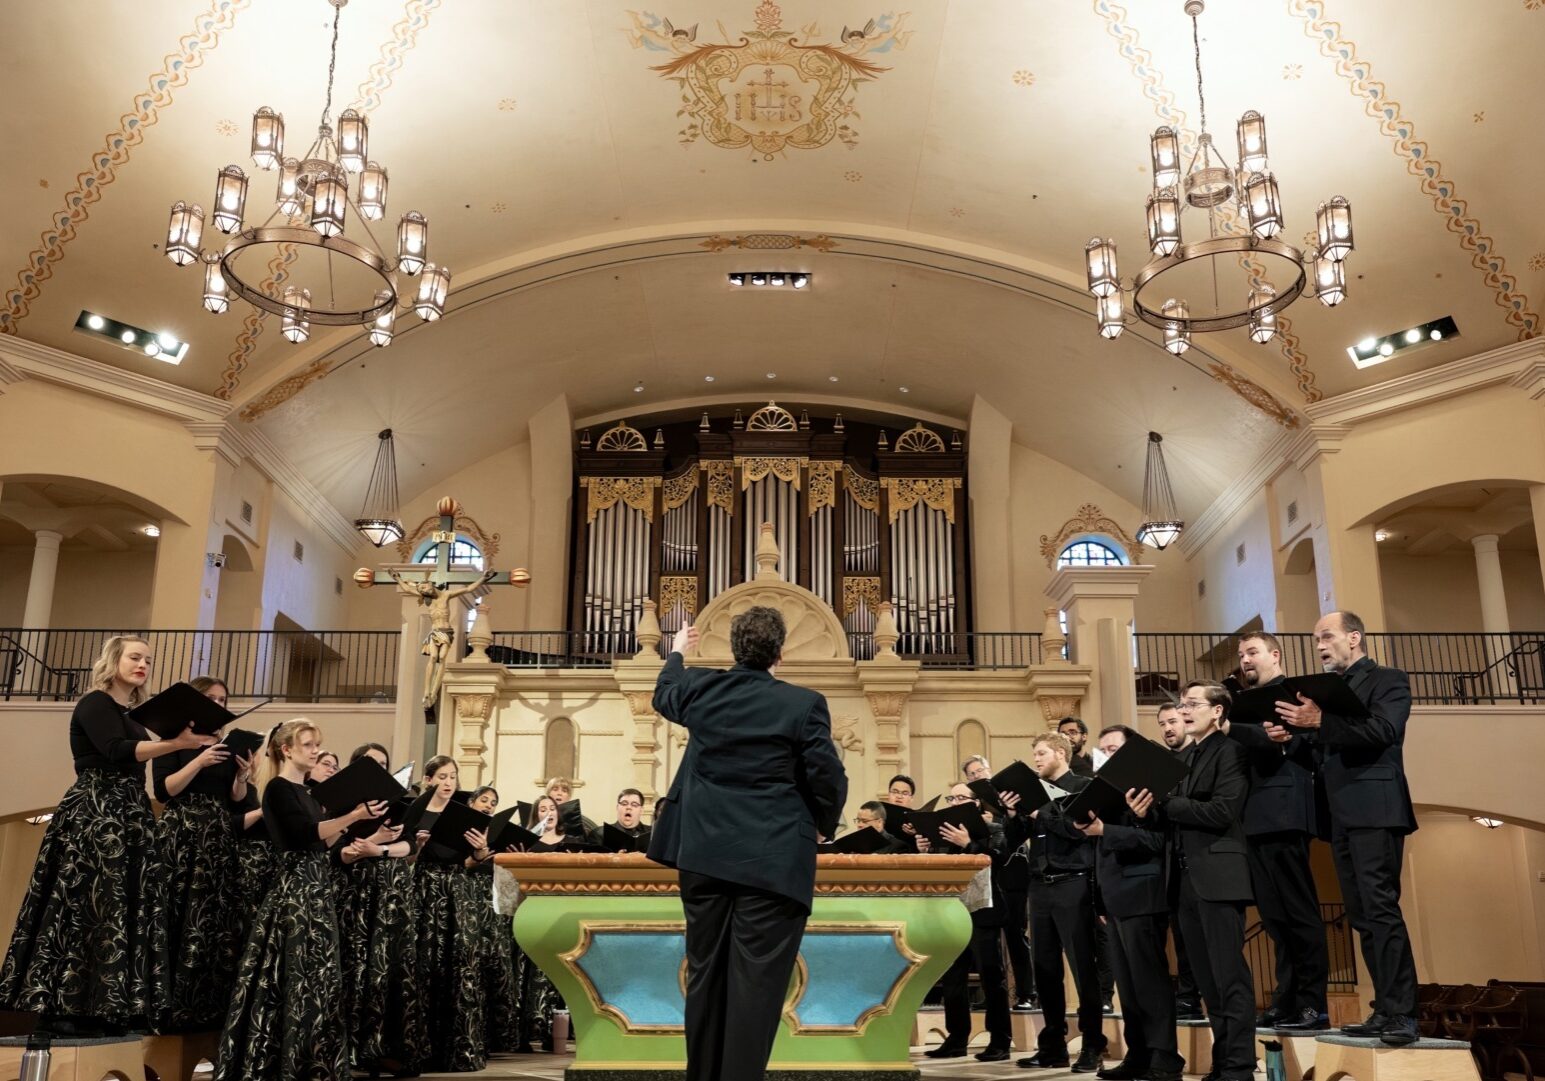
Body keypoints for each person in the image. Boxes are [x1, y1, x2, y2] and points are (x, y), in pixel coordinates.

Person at [648, 609, 847, 1081]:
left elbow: (664, 693)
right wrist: (823, 824)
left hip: (702, 855)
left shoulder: (699, 688)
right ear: (780, 654)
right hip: (772, 861)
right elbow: (827, 776)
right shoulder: (803, 704)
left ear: (735, 649)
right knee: (755, 989)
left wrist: (677, 651)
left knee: (705, 978)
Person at [0, 635, 214, 1036]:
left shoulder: (133, 713)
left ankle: (111, 1004)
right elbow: (116, 750)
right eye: (135, 657)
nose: (143, 665)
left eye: (148, 660)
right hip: (98, 812)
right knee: (87, 905)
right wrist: (176, 744)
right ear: (114, 659)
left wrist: (182, 742)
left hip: (130, 812)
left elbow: (137, 755)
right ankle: (67, 1005)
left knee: (123, 907)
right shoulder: (94, 702)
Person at [1273, 611, 1419, 1046]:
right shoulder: (1328, 694)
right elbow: (1325, 749)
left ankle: (1404, 1014)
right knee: (1360, 915)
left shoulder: (1387, 679)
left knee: (1380, 909)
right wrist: (1291, 738)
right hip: (1340, 813)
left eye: (1327, 636)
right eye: (1315, 637)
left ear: (1354, 637)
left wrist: (1319, 722)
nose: (1319, 644)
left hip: (1376, 807)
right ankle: (1384, 1009)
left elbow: (1385, 730)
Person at [214, 718, 386, 1081]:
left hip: (317, 887)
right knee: (290, 975)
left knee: (318, 976)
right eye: (308, 745)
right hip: (295, 890)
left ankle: (313, 1062)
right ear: (287, 749)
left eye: (318, 744)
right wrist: (353, 815)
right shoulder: (277, 788)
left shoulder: (309, 793)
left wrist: (367, 825)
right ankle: (282, 1061)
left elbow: (321, 843)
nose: (316, 751)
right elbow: (304, 834)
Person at [1132, 682, 1255, 1081]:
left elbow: (1222, 810)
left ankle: (1238, 1066)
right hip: (1184, 880)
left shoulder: (1230, 751)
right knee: (1206, 980)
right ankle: (1223, 1064)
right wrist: (1144, 810)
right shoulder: (1186, 757)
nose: (1184, 710)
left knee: (1228, 976)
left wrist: (1167, 802)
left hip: (1218, 876)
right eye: (1181, 703)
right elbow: (1172, 817)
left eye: (1192, 704)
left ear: (1217, 712)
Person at [1225, 632, 1328, 1030]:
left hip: (1285, 810)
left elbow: (1307, 746)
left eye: (1252, 652)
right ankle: (1286, 997)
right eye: (1241, 655)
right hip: (1254, 815)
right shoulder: (1244, 704)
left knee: (1299, 913)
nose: (1245, 660)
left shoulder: (1296, 694)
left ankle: (1313, 1003)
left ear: (1275, 654)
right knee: (1274, 918)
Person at [1075, 725, 1184, 1081]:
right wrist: (1101, 902)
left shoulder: (1149, 789)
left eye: (1114, 748)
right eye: (1102, 750)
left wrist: (1106, 831)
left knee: (1150, 984)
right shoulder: (1104, 794)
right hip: (1115, 898)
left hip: (1143, 894)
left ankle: (1165, 1059)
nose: (1107, 754)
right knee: (1129, 987)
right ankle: (1138, 1056)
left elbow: (1156, 842)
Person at [152, 675, 256, 1032]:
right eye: (210, 698)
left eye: (223, 699)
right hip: (182, 834)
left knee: (215, 920)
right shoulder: (172, 741)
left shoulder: (227, 743)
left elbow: (236, 801)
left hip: (218, 837)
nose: (218, 704)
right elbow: (165, 791)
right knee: (179, 914)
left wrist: (242, 777)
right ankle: (168, 1008)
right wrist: (199, 760)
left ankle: (207, 1010)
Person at [1008, 733, 1107, 1073]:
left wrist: (1040, 812)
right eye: (1033, 754)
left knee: (1082, 967)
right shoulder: (1033, 793)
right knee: (1045, 970)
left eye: (1041, 753)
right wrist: (1014, 813)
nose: (1036, 759)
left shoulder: (1081, 785)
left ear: (1061, 753)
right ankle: (1052, 1046)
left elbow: (1078, 829)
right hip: (1040, 887)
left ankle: (1093, 1044)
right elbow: (1012, 840)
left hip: (1073, 883)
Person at [335, 742, 428, 1076]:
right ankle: (352, 1048)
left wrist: (381, 849)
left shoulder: (399, 801)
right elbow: (340, 852)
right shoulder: (342, 800)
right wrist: (371, 845)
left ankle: (386, 1046)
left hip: (392, 892)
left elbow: (410, 844)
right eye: (372, 762)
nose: (379, 768)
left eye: (384, 763)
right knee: (357, 965)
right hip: (357, 891)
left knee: (391, 966)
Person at [920, 782, 1013, 1063]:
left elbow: (998, 860)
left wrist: (968, 844)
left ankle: (1000, 1040)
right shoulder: (943, 834)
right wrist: (924, 849)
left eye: (960, 797)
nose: (954, 802)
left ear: (976, 804)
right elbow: (934, 871)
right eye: (951, 797)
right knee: (953, 978)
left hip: (983, 911)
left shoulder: (994, 829)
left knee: (991, 975)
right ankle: (957, 1038)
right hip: (952, 912)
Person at [410, 755, 491, 1072]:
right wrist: (416, 845)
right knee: (426, 964)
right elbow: (407, 861)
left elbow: (476, 857)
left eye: (453, 777)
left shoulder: (464, 814)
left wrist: (481, 848)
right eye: (442, 776)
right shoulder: (416, 809)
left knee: (461, 965)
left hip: (458, 892)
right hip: (426, 891)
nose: (448, 782)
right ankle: (423, 1049)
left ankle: (460, 1049)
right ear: (430, 779)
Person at [962, 754, 1035, 1011]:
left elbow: (1020, 826)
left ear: (990, 770)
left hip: (1013, 872)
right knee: (988, 943)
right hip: (989, 877)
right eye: (971, 774)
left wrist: (997, 822)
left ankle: (1027, 993)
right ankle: (993, 993)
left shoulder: (1007, 794)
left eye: (979, 770)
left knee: (1016, 936)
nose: (976, 776)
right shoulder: (974, 805)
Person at [463, 784, 523, 1056]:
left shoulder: (495, 831)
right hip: (465, 899)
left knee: (494, 965)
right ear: (472, 802)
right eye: (483, 800)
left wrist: (512, 854)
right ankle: (470, 1034)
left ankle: (492, 1038)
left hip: (490, 903)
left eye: (493, 802)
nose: (488, 805)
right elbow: (460, 863)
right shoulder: (461, 827)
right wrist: (482, 855)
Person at [1156, 703, 1202, 1020]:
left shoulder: (1200, 759)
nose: (1168, 728)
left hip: (1201, 858)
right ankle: (1187, 997)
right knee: (1182, 939)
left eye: (1173, 721)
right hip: (1172, 860)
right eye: (1162, 724)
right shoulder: (1161, 764)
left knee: (1203, 940)